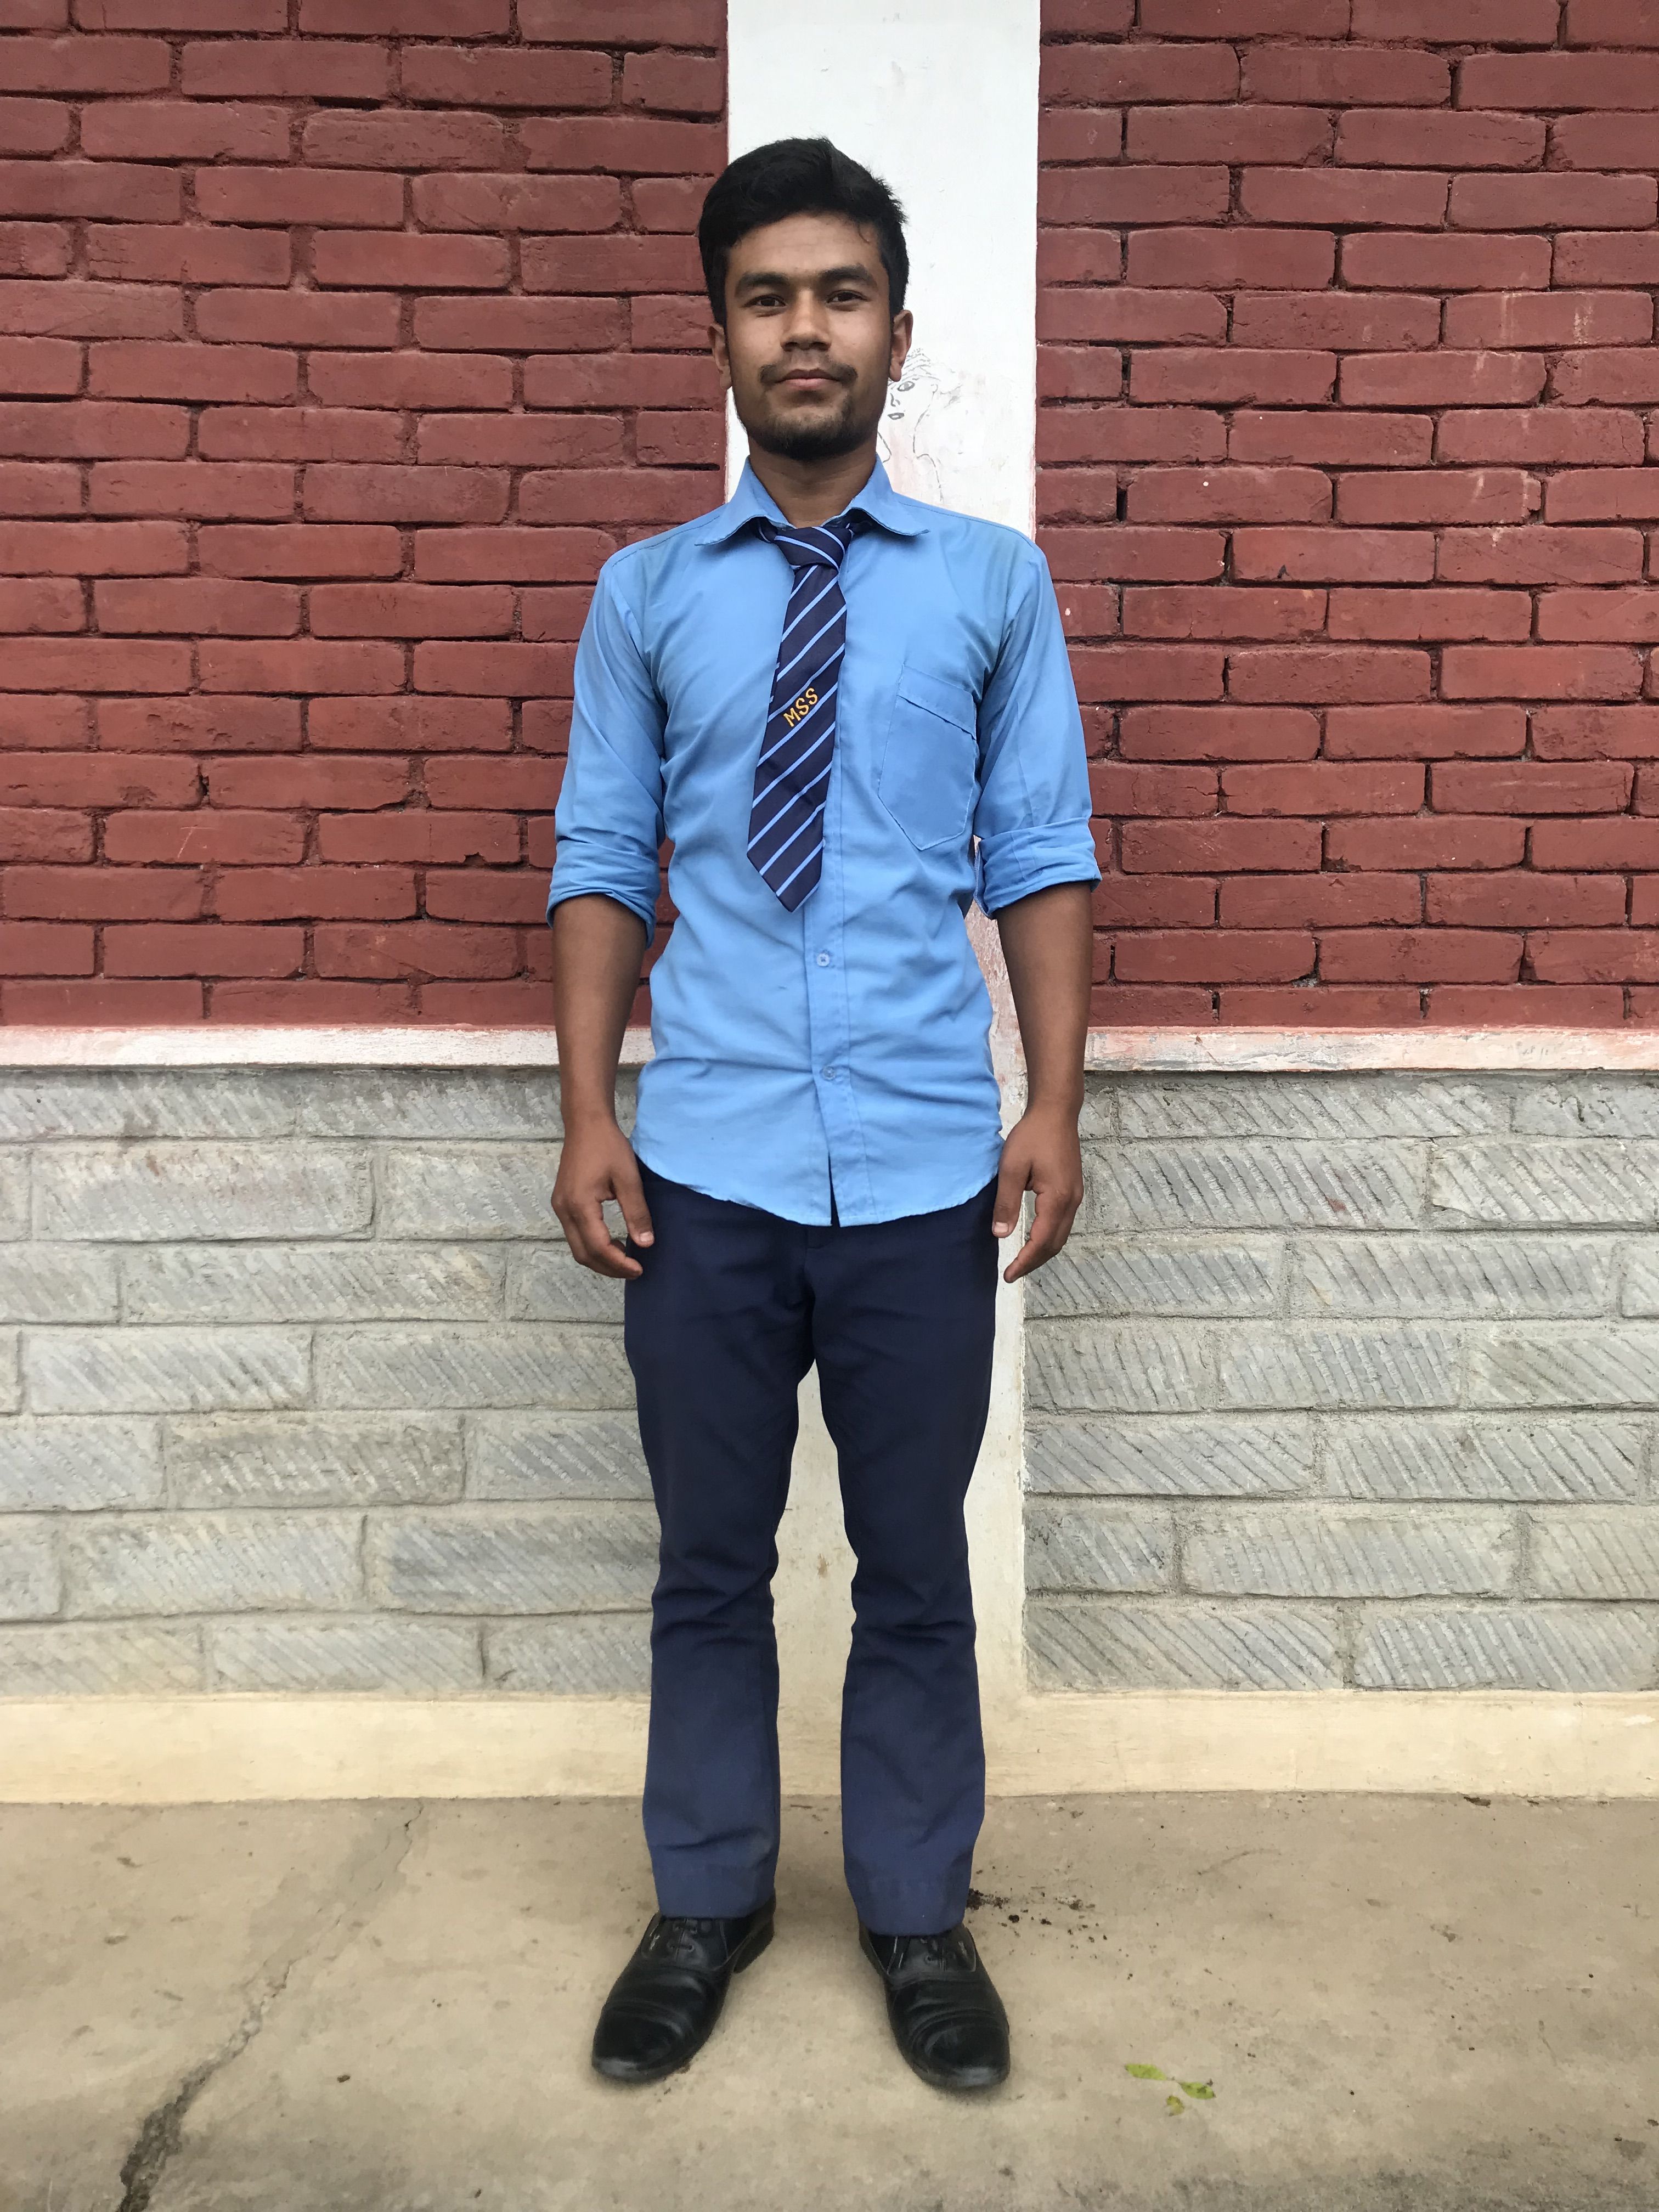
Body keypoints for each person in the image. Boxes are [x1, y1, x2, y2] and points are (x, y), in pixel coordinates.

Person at [546, 136, 1099, 2094]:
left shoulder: (992, 587)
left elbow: (1040, 855)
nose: (806, 329)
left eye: (839, 295)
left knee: (913, 1566)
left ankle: (917, 1914)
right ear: (718, 332)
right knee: (708, 1561)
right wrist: (588, 1111)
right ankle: (706, 1903)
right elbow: (603, 859)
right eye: (767, 296)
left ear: (896, 334)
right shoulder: (645, 597)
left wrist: (1053, 1103)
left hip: (926, 1165)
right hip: (703, 1168)